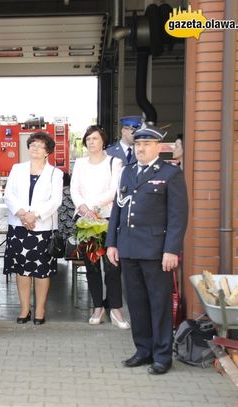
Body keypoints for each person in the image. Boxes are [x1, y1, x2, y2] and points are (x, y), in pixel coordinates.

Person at [106, 123, 188, 375]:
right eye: (138, 144)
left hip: (156, 251)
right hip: (129, 248)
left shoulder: (170, 173)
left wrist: (171, 250)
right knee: (137, 304)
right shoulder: (128, 172)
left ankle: (162, 356)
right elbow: (117, 210)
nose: (140, 148)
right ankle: (143, 350)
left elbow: (178, 216)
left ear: (158, 147)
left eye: (146, 144)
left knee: (159, 304)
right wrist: (111, 243)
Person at [70, 125, 129, 329]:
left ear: (103, 141)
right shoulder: (79, 163)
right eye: (88, 139)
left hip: (108, 220)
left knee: (113, 267)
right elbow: (74, 189)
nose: (91, 142)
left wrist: (94, 206)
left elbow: (115, 189)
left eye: (95, 138)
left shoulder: (115, 162)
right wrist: (84, 207)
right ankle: (97, 307)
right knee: (92, 267)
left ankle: (116, 309)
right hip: (86, 221)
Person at [3, 132, 63, 325]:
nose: (35, 148)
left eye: (40, 146)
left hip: (43, 227)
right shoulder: (17, 168)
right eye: (32, 145)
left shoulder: (56, 173)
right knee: (21, 270)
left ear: (48, 152)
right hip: (19, 226)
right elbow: (8, 194)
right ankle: (24, 309)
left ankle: (39, 310)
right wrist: (22, 213)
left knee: (41, 271)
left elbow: (56, 201)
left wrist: (34, 215)